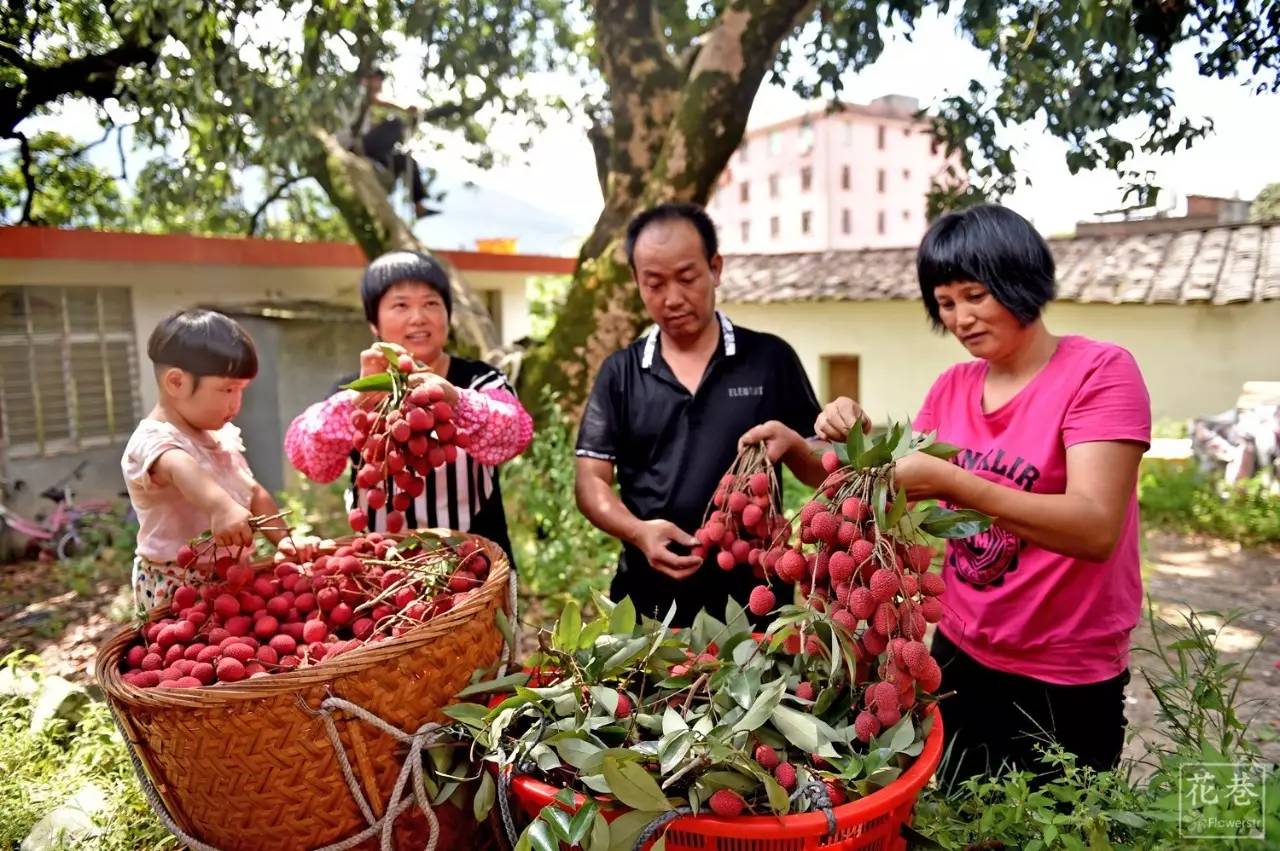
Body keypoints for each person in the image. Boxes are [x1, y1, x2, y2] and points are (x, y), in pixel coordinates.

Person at [816, 204, 1151, 782]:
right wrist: (855, 442)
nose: (961, 318)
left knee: (1049, 832)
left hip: (1065, 671)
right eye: (945, 304)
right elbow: (896, 493)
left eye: (975, 295)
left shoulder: (1100, 372)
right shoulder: (952, 386)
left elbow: (1095, 527)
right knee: (948, 813)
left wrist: (953, 481)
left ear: (1021, 282)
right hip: (956, 651)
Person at [575, 203, 826, 627]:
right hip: (648, 609)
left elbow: (821, 466)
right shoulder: (620, 372)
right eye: (654, 284)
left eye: (687, 278)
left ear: (715, 268)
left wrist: (798, 445)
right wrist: (638, 533)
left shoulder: (769, 359)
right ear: (637, 283)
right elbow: (590, 481)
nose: (672, 298)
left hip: (755, 608)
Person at [286, 250, 532, 563]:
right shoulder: (354, 390)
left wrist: (454, 399)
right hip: (386, 572)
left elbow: (515, 433)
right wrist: (355, 402)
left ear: (447, 315)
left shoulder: (480, 380)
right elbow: (309, 459)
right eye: (400, 305)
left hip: (476, 568)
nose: (418, 317)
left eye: (431, 303)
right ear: (374, 323)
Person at [121, 309, 286, 613]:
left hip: (232, 580)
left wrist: (285, 542)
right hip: (177, 588)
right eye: (227, 389)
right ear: (176, 383)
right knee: (184, 655)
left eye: (241, 390)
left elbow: (253, 493)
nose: (236, 402)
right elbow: (180, 467)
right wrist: (220, 507)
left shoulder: (220, 437)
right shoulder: (152, 441)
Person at [343, 68, 434, 218]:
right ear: (369, 79)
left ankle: (418, 206)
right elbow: (377, 99)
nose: (380, 83)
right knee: (395, 123)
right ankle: (383, 162)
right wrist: (404, 108)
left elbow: (371, 128)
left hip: (369, 149)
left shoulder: (364, 109)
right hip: (355, 147)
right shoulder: (360, 91)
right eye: (378, 79)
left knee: (406, 159)